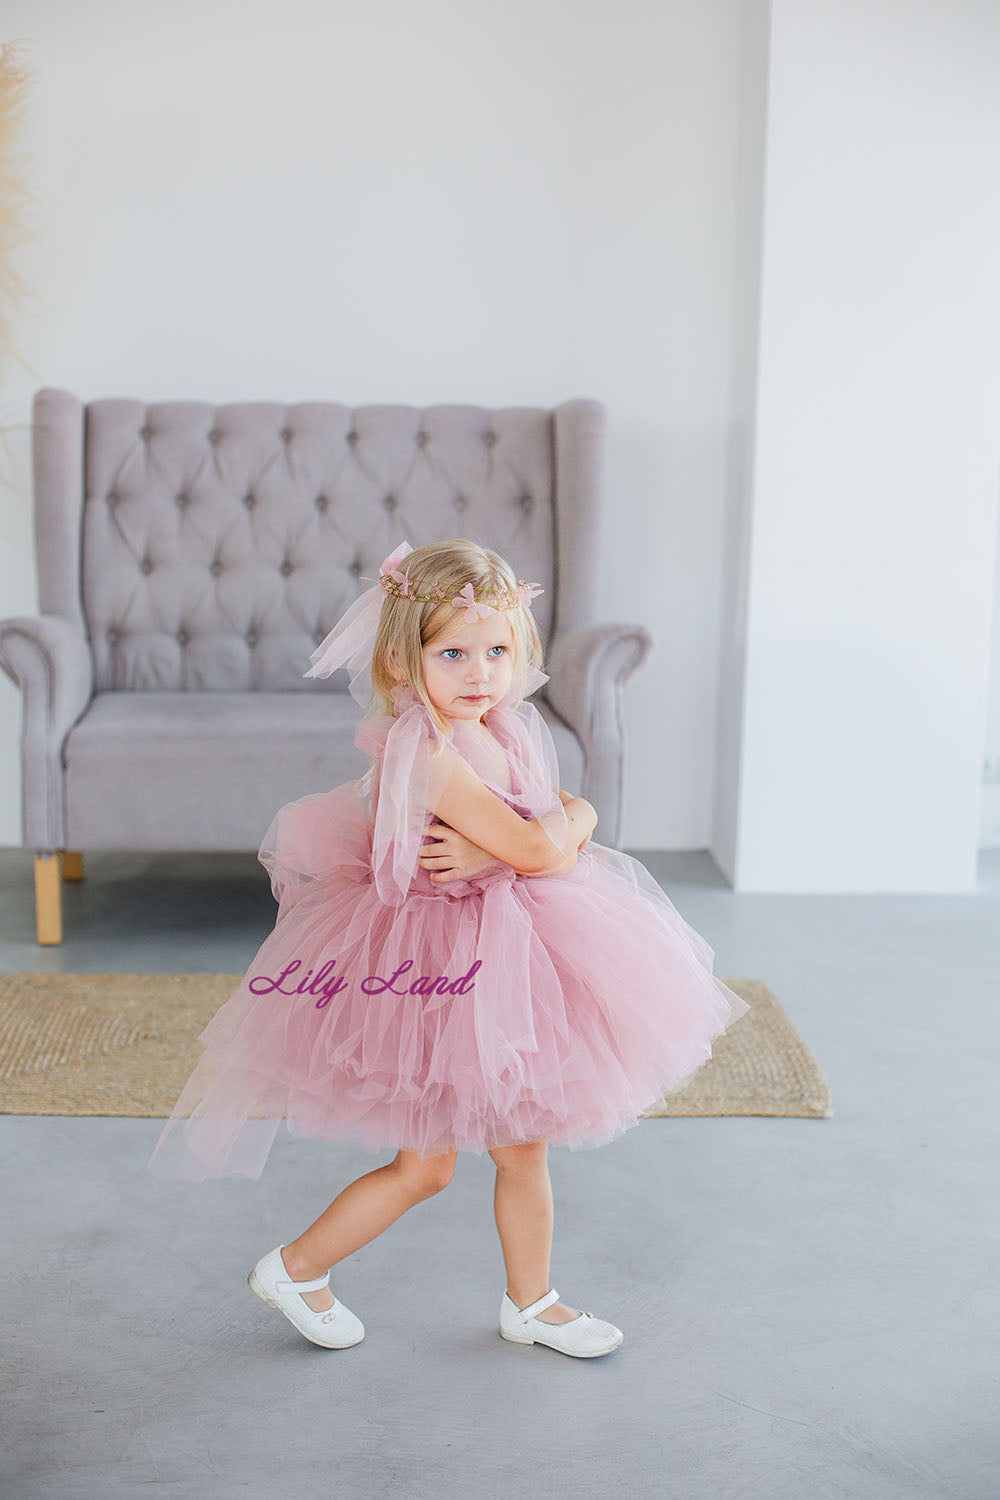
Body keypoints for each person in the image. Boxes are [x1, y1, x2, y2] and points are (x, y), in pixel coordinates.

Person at [147, 536, 750, 1359]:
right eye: (454, 653)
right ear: (404, 662)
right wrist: (551, 832)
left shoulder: (502, 726)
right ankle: (303, 1268)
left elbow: (560, 811)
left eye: (498, 651)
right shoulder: (426, 750)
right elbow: (542, 844)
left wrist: (558, 824)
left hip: (505, 954)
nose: (480, 672)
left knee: (513, 1148)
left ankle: (524, 1302)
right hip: (447, 968)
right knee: (432, 1166)